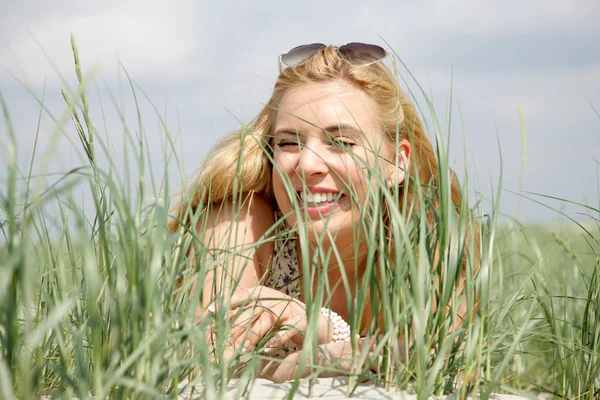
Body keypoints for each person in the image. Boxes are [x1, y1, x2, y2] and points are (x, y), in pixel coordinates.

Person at [170, 43, 480, 382]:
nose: (307, 165)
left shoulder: (428, 237)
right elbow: (208, 365)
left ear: (397, 162)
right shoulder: (239, 220)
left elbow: (447, 361)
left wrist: (322, 331)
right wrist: (332, 347)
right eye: (288, 143)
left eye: (342, 142)